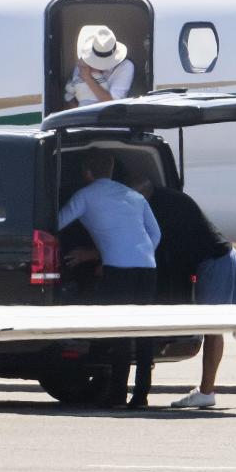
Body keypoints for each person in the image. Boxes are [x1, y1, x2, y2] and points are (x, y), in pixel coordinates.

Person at [125, 178, 236, 409]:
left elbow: (161, 247)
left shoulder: (157, 207)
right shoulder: (170, 197)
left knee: (213, 328)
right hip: (226, 254)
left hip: (213, 262)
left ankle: (206, 391)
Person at [57, 150, 160, 408]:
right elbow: (155, 234)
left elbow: (56, 223)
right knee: (145, 332)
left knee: (121, 332)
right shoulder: (135, 197)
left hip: (118, 269)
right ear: (112, 170)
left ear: (86, 173)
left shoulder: (85, 195)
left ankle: (117, 395)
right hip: (147, 267)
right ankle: (142, 395)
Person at [64, 26, 135, 108]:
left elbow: (113, 103)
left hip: (109, 117)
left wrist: (87, 78)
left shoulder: (126, 66)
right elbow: (70, 95)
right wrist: (77, 114)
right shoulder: (83, 62)